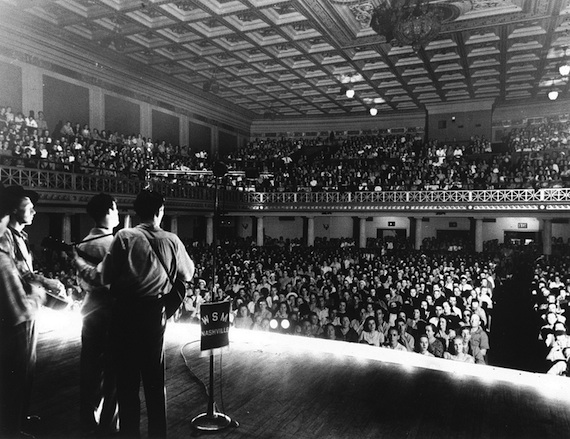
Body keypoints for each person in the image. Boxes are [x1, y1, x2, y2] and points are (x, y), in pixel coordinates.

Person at [101, 189, 195, 438]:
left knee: (126, 381)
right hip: (154, 314)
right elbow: (188, 274)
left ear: (135, 212)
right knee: (154, 380)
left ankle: (129, 433)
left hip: (124, 313)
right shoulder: (172, 240)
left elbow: (106, 276)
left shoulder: (124, 237)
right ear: (160, 211)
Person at [0, 184, 46, 438]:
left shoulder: (22, 237)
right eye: (29, 207)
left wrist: (45, 282)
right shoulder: (5, 235)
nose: (34, 212)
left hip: (29, 309)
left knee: (28, 366)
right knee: (15, 368)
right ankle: (10, 426)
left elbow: (26, 272)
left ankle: (20, 417)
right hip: (16, 310)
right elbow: (15, 275)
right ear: (14, 210)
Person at [72, 193, 120, 435]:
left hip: (89, 309)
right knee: (112, 370)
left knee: (89, 368)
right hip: (110, 312)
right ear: (109, 211)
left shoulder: (82, 243)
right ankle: (109, 425)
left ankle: (88, 419)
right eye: (116, 208)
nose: (118, 213)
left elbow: (81, 280)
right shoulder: (112, 244)